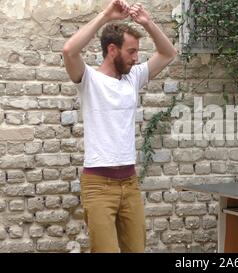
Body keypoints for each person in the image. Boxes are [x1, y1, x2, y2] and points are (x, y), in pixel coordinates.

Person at [62, 0, 177, 253]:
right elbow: (69, 50)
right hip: (98, 184)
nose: (136, 58)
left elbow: (169, 53)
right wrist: (105, 16)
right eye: (132, 51)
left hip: (129, 182)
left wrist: (147, 22)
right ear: (112, 50)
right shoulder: (89, 79)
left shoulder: (133, 78)